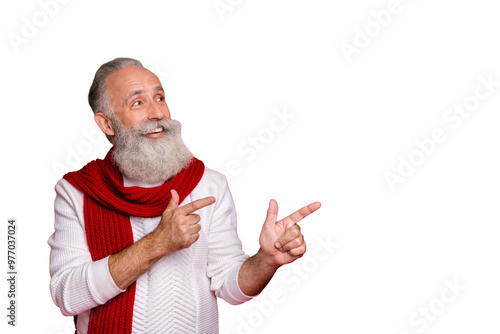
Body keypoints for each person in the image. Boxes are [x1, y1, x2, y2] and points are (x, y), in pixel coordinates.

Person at [48, 57, 321, 334]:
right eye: (138, 103)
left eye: (160, 97)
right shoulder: (78, 191)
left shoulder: (208, 184)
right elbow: (67, 295)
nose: (157, 113)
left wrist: (266, 260)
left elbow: (229, 285)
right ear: (106, 124)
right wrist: (158, 243)